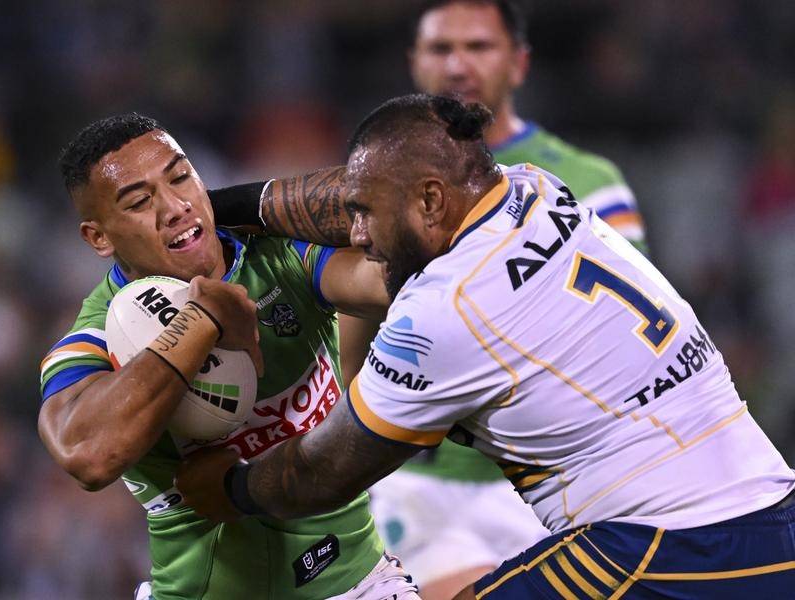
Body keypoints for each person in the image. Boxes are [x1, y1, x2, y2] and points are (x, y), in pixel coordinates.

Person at [176, 94, 795, 599]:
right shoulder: (533, 189)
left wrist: (229, 487)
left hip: (674, 544)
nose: (357, 232)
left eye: (366, 214)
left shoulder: (445, 314)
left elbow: (321, 473)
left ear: (431, 200)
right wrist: (214, 212)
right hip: (769, 510)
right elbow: (361, 193)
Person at [38, 113, 420, 600]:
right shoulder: (97, 332)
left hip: (361, 583)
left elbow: (401, 221)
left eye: (180, 178)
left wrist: (242, 205)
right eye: (138, 202)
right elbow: (87, 454)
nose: (174, 207)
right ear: (99, 238)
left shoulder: (280, 255)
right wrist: (202, 320)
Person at [354, 2, 647, 596]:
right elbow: (355, 318)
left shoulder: (592, 183)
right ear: (414, 62)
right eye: (440, 49)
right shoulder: (382, 178)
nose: (457, 65)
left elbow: (617, 341)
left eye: (479, 47)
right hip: (420, 480)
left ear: (519, 63)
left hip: (553, 480)